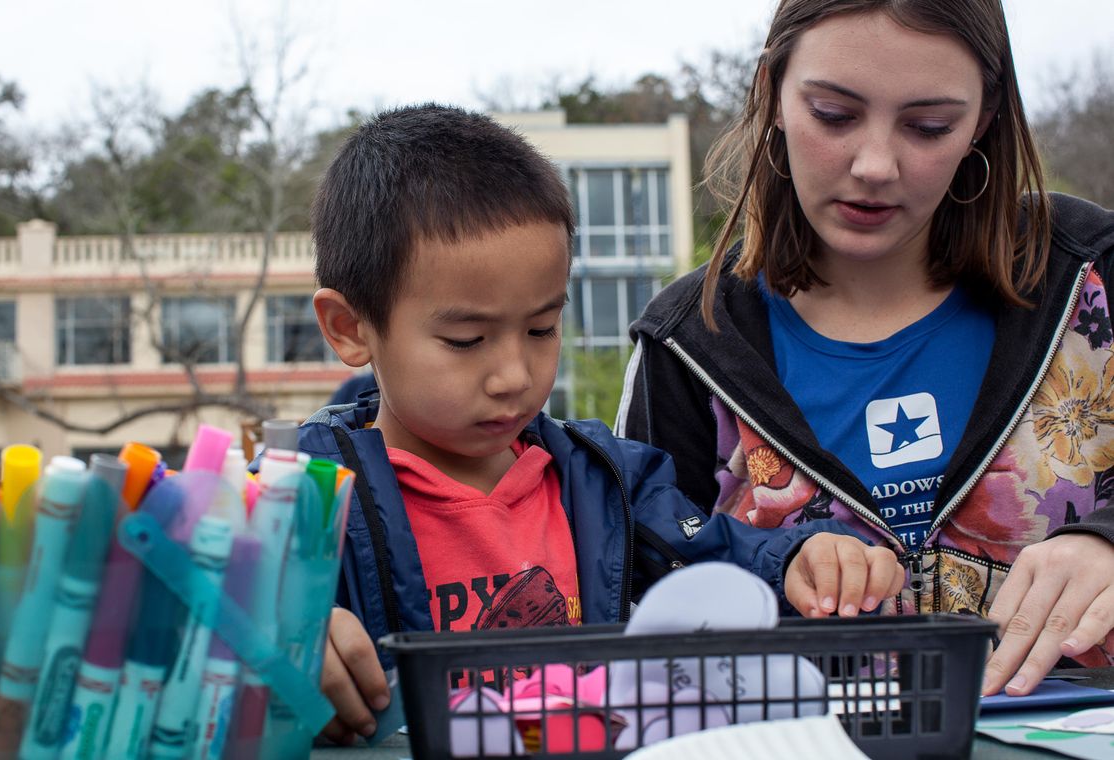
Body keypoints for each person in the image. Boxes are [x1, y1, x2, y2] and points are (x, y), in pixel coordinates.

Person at [301, 103, 901, 743]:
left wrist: (805, 561)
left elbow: (722, 562)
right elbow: (210, 639)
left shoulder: (604, 480)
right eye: (466, 339)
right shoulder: (300, 503)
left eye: (541, 328)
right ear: (350, 328)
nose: (515, 373)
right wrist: (289, 647)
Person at [615, 0, 1114, 700]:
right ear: (774, 95)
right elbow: (634, 587)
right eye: (834, 114)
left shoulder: (1092, 273)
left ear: (988, 115)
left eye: (928, 126)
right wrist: (773, 569)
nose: (876, 164)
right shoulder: (686, 342)